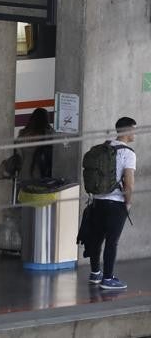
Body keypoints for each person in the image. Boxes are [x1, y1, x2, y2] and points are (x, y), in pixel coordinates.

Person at [83, 117, 137, 291]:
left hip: (97, 201)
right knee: (112, 241)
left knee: (96, 238)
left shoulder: (104, 148)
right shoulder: (128, 153)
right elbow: (129, 183)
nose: (135, 133)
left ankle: (95, 273)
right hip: (115, 203)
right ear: (128, 131)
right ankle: (108, 278)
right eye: (133, 130)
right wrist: (128, 203)